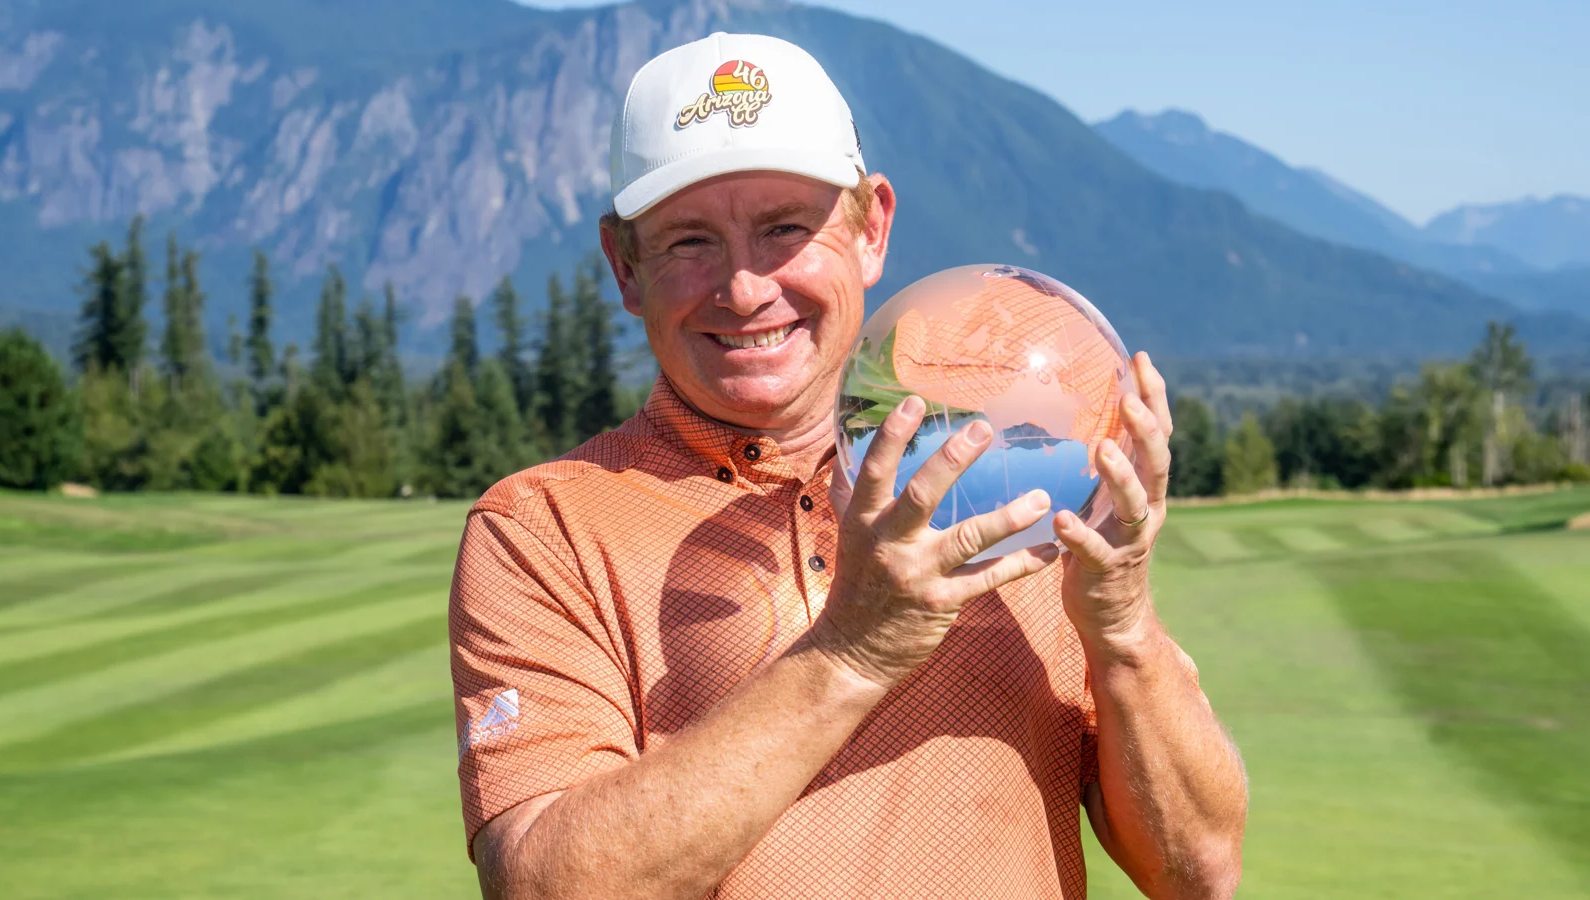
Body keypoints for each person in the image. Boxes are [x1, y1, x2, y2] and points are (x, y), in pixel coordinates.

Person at [449, 32, 1247, 900]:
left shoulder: (1006, 477)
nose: (745, 288)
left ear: (872, 229)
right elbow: (540, 885)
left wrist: (1123, 629)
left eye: (784, 229)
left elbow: (1199, 872)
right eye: (688, 241)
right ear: (625, 267)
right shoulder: (543, 530)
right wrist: (853, 653)